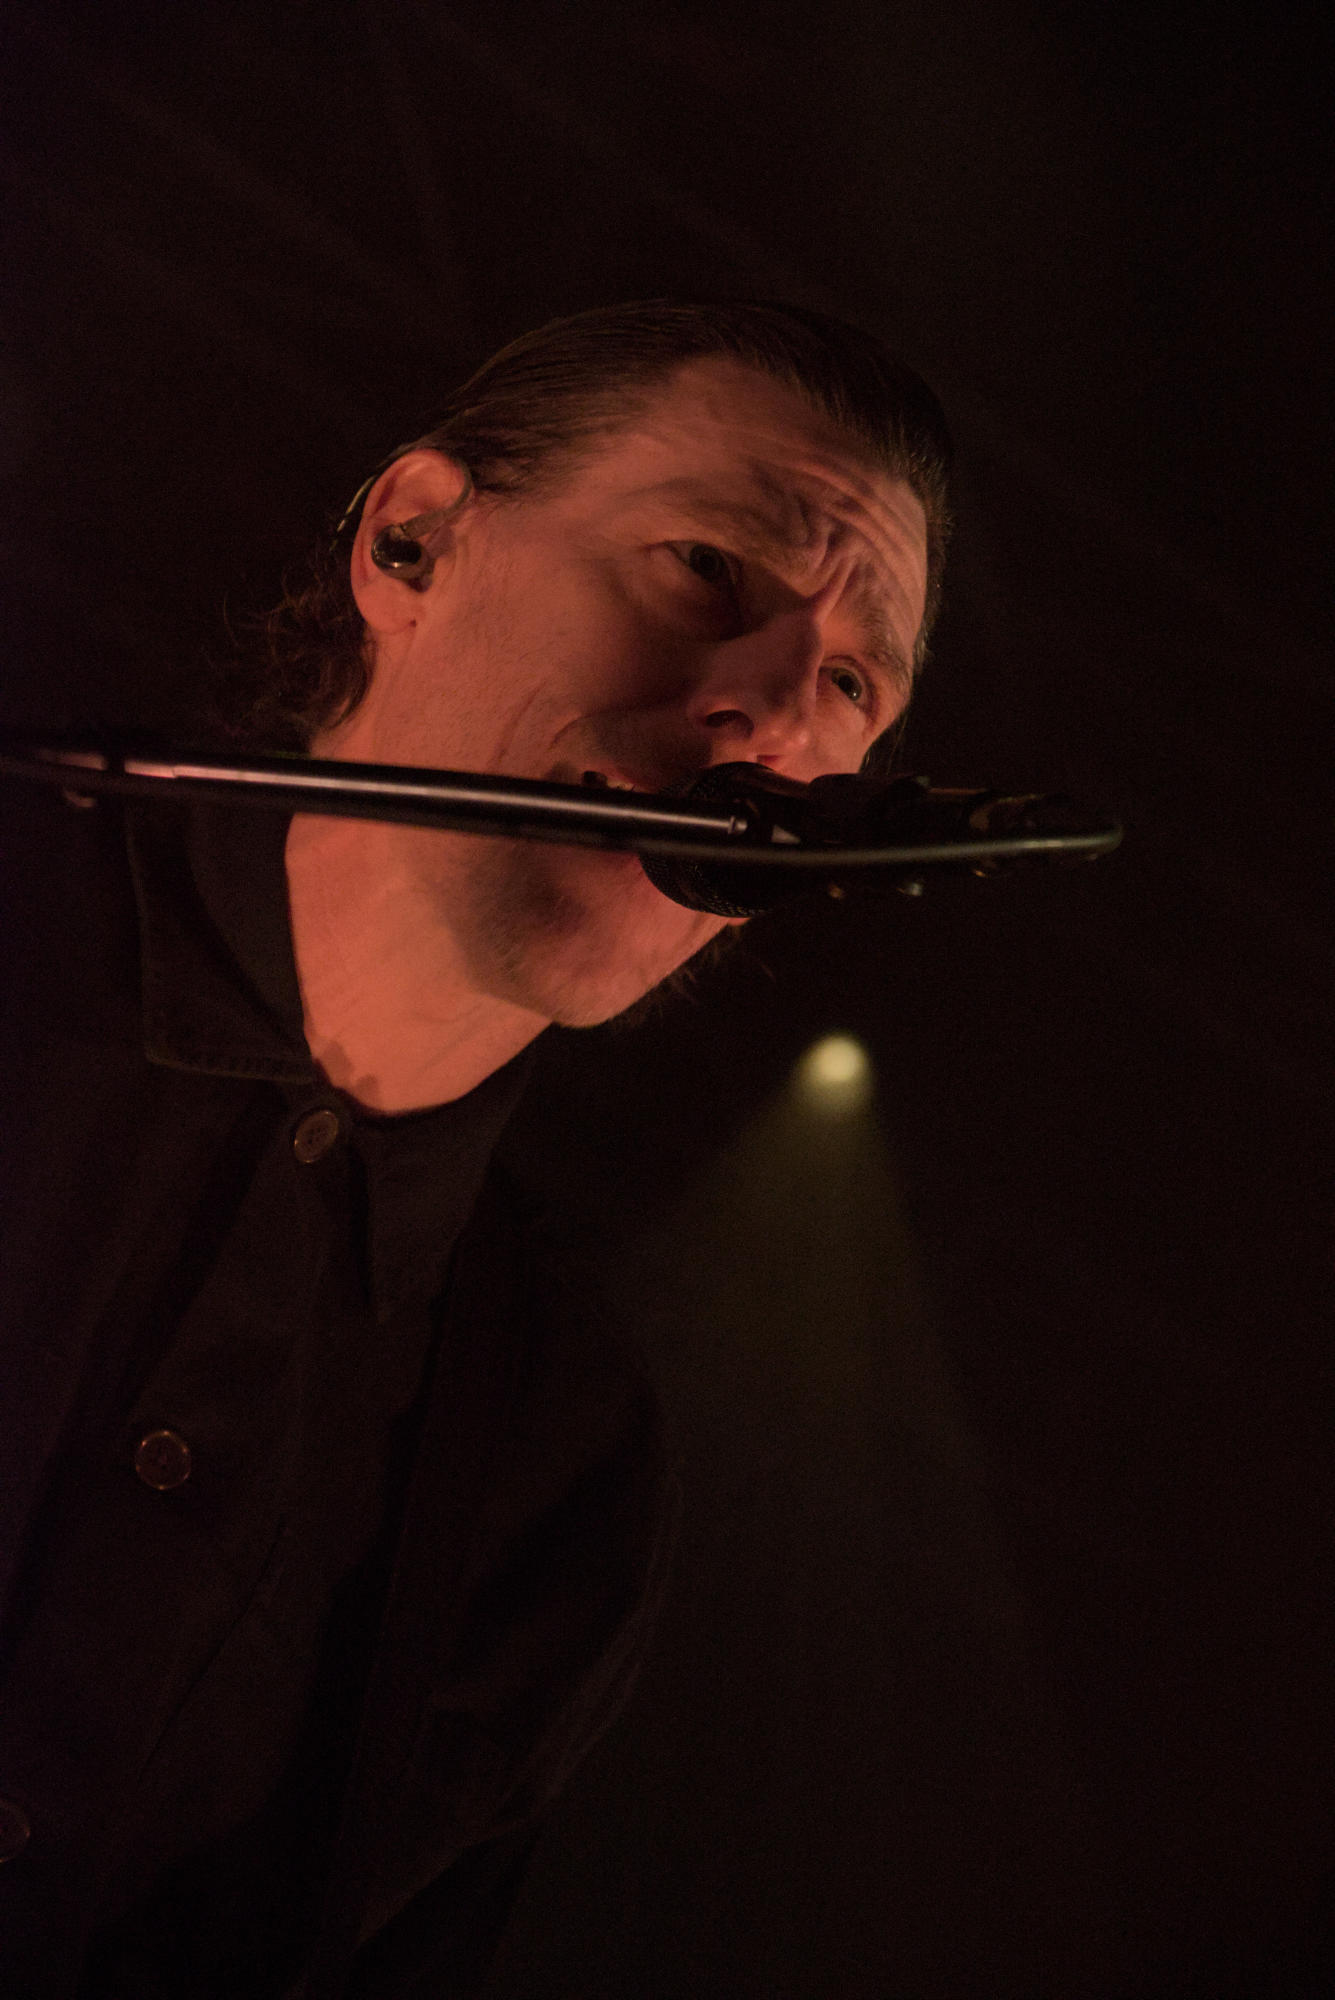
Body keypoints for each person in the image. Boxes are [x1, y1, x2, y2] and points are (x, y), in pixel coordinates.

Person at [0, 300, 951, 1998]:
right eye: (708, 571)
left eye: (850, 685)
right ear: (412, 542)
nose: (771, 718)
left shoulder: (562, 1469)